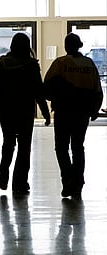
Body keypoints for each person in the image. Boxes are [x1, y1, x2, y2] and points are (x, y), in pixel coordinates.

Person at [0, 33, 51, 194]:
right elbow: (39, 90)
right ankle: (20, 183)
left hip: (7, 110)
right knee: (24, 147)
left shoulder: (3, 62)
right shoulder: (31, 65)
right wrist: (45, 112)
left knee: (8, 143)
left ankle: (4, 174)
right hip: (25, 111)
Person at [44, 33, 103, 198]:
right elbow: (98, 89)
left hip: (63, 111)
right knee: (78, 147)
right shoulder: (89, 64)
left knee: (61, 147)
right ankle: (78, 181)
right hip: (82, 112)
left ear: (65, 46)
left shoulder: (60, 63)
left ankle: (67, 179)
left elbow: (47, 86)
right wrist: (94, 109)